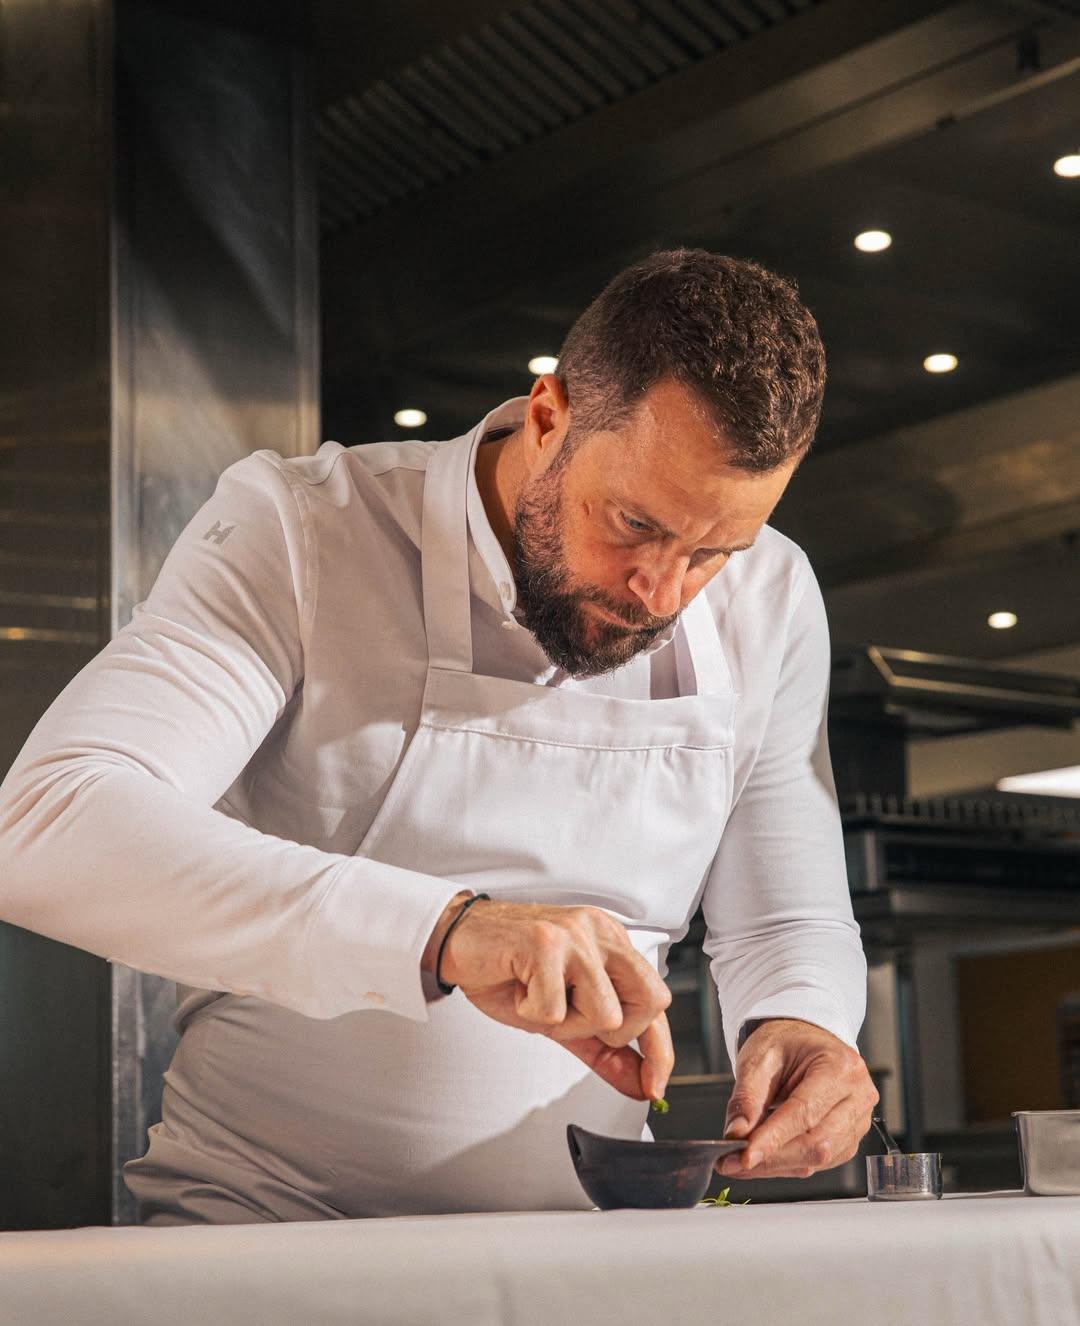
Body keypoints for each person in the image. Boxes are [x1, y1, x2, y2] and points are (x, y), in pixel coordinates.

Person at [0, 248, 877, 1224]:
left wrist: (804, 1022)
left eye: (713, 552)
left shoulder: (772, 597)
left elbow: (787, 918)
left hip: (586, 1262)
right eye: (631, 523)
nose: (661, 594)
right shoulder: (307, 529)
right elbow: (46, 824)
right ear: (549, 416)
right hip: (261, 1250)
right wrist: (449, 929)